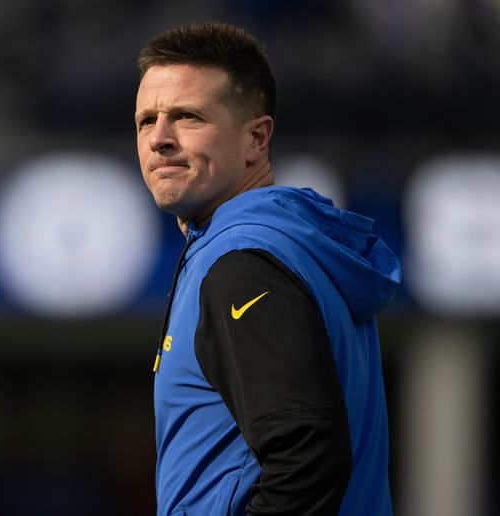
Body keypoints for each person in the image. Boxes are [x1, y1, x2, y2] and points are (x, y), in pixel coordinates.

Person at [135, 21, 401, 515]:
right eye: (146, 120)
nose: (159, 139)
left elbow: (307, 458)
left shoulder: (244, 263)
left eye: (188, 117)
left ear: (256, 139)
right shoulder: (282, 246)